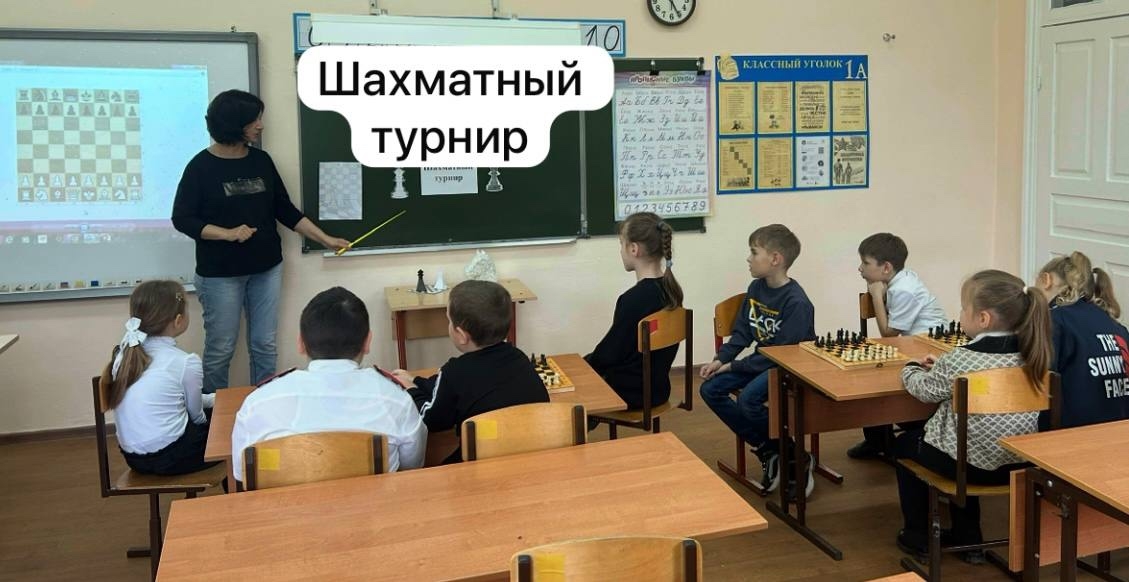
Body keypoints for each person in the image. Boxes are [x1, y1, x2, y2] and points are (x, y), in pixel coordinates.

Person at [171, 89, 349, 393]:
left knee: (264, 345)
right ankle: (213, 414)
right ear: (234, 123)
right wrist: (227, 233)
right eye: (254, 120)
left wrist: (325, 239)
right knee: (220, 349)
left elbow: (285, 210)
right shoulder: (200, 167)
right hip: (220, 275)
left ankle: (265, 403)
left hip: (266, 268)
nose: (260, 125)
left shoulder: (261, 161)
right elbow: (183, 218)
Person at [894, 269, 1051, 562]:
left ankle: (918, 536)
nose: (960, 314)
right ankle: (969, 539)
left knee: (904, 444)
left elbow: (925, 391)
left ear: (983, 319)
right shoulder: (1035, 356)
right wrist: (945, 369)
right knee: (966, 443)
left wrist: (910, 368)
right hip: (1020, 464)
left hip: (970, 468)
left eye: (964, 308)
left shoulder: (960, 359)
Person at [230, 287, 426, 484]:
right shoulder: (396, 400)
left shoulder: (258, 404)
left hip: (284, 504)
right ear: (367, 342)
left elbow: (241, 474)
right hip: (373, 503)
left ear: (301, 343)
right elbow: (412, 466)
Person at [699, 224, 816, 498]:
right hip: (763, 361)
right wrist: (721, 358)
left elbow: (780, 354)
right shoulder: (756, 287)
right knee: (710, 389)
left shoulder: (797, 303)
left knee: (748, 400)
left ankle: (793, 456)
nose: (748, 258)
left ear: (775, 259)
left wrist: (734, 366)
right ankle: (770, 448)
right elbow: (743, 332)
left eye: (754, 252)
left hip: (788, 366)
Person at [397, 280, 548, 463]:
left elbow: (432, 420)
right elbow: (457, 385)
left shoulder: (454, 372)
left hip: (482, 461)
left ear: (461, 335)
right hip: (532, 455)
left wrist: (412, 389)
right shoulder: (519, 358)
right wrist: (416, 381)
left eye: (449, 320)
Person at [103, 280, 218, 476]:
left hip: (134, 459)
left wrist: (214, 399)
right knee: (231, 428)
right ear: (178, 320)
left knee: (206, 401)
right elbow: (197, 416)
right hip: (174, 457)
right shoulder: (185, 362)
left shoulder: (124, 354)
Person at [849, 233, 947, 460]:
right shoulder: (900, 278)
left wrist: (876, 296)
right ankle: (877, 440)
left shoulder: (903, 289)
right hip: (914, 344)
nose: (860, 268)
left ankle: (886, 439)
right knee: (871, 377)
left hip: (928, 349)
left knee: (875, 380)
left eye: (865, 263)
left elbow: (889, 334)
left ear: (886, 268)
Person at [585, 212, 684, 410]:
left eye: (621, 244)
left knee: (574, 383)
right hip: (658, 390)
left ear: (633, 249)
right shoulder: (671, 290)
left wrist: (583, 366)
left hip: (630, 393)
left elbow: (609, 354)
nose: (620, 251)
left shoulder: (633, 300)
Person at [1033, 251, 1129, 429]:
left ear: (1046, 280)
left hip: (1072, 435)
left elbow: (1037, 382)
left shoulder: (1055, 320)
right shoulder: (1114, 325)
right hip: (1119, 431)